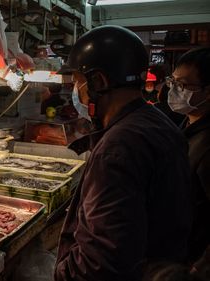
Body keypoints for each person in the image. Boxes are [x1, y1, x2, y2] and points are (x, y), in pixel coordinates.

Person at [55, 25, 192, 281]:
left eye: (78, 83)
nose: (76, 93)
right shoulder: (157, 121)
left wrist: (64, 273)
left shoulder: (118, 147)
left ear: (98, 81)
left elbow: (102, 262)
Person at [166, 47, 210, 263]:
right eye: (172, 82)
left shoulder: (207, 144)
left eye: (182, 85)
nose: (174, 90)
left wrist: (198, 271)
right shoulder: (185, 126)